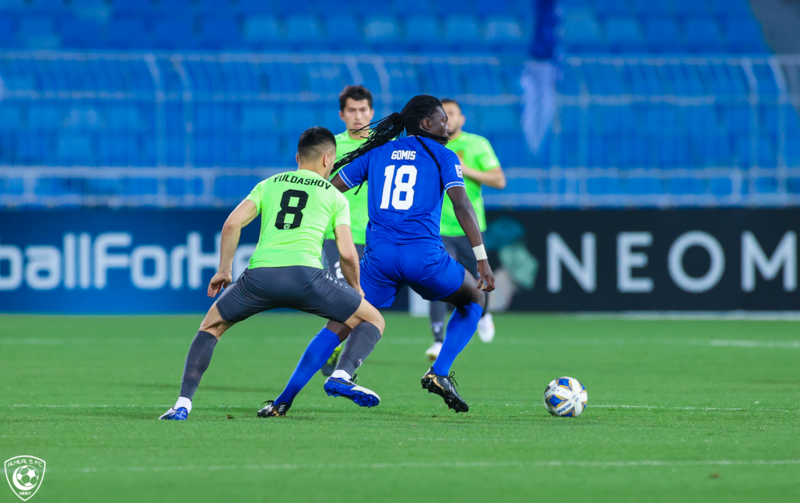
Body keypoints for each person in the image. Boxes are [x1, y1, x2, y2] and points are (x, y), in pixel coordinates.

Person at [281, 95, 495, 415]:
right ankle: (439, 372)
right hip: (424, 258)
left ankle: (290, 397)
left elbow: (330, 189)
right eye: (441, 119)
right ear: (426, 124)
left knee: (342, 323)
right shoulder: (443, 156)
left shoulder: (377, 152)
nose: (447, 125)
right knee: (473, 300)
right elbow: (462, 205)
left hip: (379, 260)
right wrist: (482, 258)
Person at [159, 127, 384, 420]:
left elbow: (231, 224)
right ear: (328, 159)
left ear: (297, 157)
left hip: (259, 279)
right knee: (372, 319)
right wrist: (355, 287)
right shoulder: (334, 195)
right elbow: (347, 252)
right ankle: (342, 374)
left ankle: (182, 404)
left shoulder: (269, 184)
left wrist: (223, 270)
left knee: (210, 328)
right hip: (307, 278)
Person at [426, 99, 506, 360]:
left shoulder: (476, 144)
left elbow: (499, 180)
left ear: (462, 118)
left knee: (479, 276)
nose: (447, 119)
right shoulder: (431, 145)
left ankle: (484, 313)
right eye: (442, 115)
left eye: (451, 114)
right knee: (437, 278)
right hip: (438, 227)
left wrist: (464, 169)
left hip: (469, 227)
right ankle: (438, 340)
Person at [320, 85, 375, 377]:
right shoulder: (331, 149)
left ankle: (336, 350)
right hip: (338, 236)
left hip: (377, 237)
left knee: (365, 302)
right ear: (342, 115)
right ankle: (341, 363)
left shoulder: (383, 146)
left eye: (363, 110)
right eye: (352, 111)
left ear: (372, 112)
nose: (358, 116)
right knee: (351, 300)